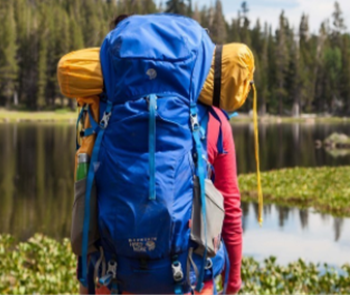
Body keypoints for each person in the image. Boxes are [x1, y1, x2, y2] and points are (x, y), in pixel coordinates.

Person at [76, 15, 243, 294]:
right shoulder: (213, 121)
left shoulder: (98, 115)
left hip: (115, 280)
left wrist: (85, 281)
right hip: (191, 281)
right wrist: (234, 280)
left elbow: (85, 197)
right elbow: (231, 207)